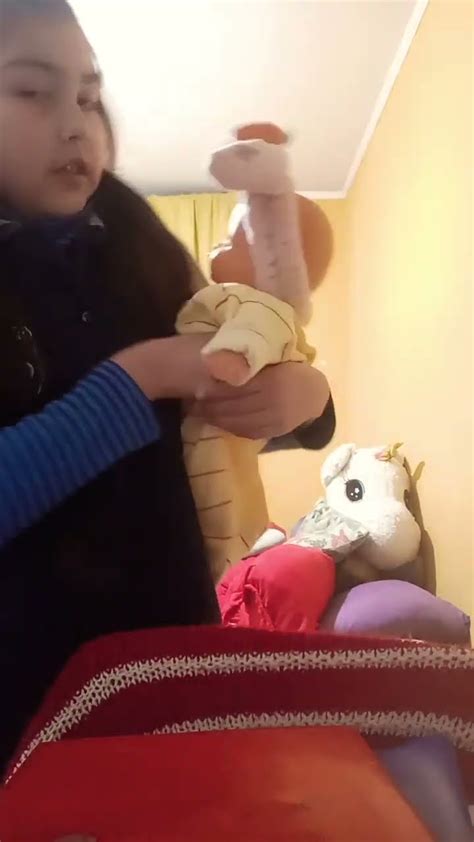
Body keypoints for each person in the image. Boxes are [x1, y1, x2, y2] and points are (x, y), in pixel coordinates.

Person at [0, 0, 335, 775]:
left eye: (89, 96)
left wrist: (307, 399)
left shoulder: (136, 241)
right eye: (33, 92)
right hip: (28, 717)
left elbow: (208, 409)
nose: (76, 124)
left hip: (176, 663)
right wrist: (142, 376)